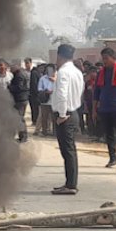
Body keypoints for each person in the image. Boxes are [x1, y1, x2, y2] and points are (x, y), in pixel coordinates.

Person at [50, 44, 84, 195]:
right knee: (69, 150)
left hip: (66, 115)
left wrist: (62, 115)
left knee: (68, 151)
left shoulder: (63, 72)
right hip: (74, 112)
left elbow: (62, 94)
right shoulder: (77, 72)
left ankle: (71, 185)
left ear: (59, 56)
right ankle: (69, 182)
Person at [7, 60, 30, 143]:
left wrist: (10, 87)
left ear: (16, 67)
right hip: (23, 99)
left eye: (11, 68)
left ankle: (23, 137)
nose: (10, 70)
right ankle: (22, 136)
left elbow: (19, 87)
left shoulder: (19, 75)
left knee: (19, 119)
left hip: (20, 99)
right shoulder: (23, 73)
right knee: (20, 118)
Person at [36, 64, 55, 136]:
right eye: (47, 69)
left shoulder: (57, 78)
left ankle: (55, 133)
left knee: (54, 118)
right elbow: (39, 88)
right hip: (45, 101)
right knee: (44, 117)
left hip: (54, 101)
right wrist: (46, 91)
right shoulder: (42, 78)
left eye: (51, 69)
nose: (49, 71)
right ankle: (44, 132)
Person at [27, 58, 41, 125]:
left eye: (27, 63)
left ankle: (35, 121)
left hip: (34, 94)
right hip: (31, 94)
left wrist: (36, 93)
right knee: (33, 108)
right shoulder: (31, 72)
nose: (26, 65)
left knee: (35, 108)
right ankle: (34, 121)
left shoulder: (34, 72)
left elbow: (35, 84)